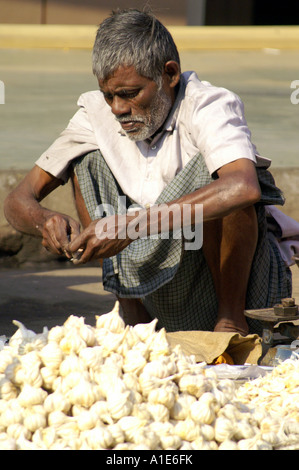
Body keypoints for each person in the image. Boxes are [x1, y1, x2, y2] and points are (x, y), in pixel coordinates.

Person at [4, 8, 292, 337]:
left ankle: (229, 322)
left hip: (227, 292)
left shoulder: (209, 105)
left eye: (130, 94)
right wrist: (44, 220)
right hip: (154, 291)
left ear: (169, 74)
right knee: (85, 158)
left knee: (222, 178)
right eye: (108, 95)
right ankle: (131, 313)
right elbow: (17, 200)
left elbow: (243, 187)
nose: (118, 109)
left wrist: (132, 225)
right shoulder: (97, 114)